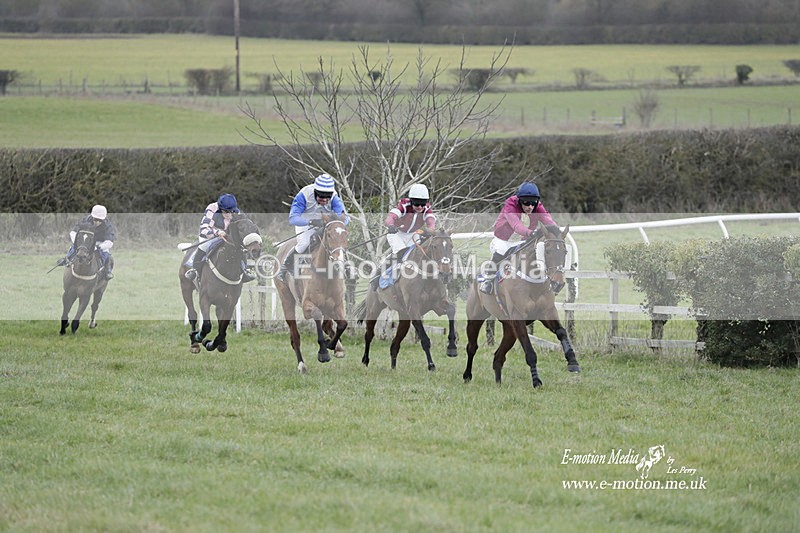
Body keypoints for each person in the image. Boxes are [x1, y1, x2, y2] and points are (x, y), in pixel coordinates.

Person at [479, 181, 557, 294]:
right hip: (504, 240)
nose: (530, 206)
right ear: (519, 200)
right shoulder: (510, 205)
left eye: (533, 202)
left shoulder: (537, 206)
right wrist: (531, 233)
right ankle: (488, 280)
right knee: (500, 251)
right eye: (526, 202)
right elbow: (516, 226)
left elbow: (547, 219)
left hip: (522, 241)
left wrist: (556, 231)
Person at [277, 173, 348, 282]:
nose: (324, 200)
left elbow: (344, 218)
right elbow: (293, 218)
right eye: (321, 196)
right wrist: (310, 221)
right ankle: (286, 265)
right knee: (304, 243)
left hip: (326, 222)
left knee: (338, 241)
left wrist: (334, 223)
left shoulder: (334, 197)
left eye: (327, 197)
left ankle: (347, 267)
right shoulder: (304, 195)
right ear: (315, 192)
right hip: (305, 222)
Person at [371, 183, 436, 288]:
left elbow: (431, 221)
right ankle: (378, 275)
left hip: (413, 234)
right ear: (411, 201)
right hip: (397, 233)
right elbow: (390, 218)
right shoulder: (404, 206)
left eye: (422, 203)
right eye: (416, 203)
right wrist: (391, 225)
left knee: (416, 254)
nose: (420, 207)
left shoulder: (427, 209)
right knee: (401, 252)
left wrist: (430, 230)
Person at [185, 193, 254, 283]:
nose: (229, 214)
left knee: (240, 247)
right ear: (220, 209)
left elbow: (243, 225)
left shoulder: (237, 212)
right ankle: (195, 270)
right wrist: (217, 232)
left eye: (231, 211)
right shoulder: (212, 209)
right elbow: (204, 229)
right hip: (211, 235)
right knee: (204, 246)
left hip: (227, 237)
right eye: (226, 212)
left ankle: (245, 270)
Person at [58, 204, 116, 280]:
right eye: (95, 219)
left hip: (100, 243)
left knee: (107, 255)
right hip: (85, 241)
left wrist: (99, 247)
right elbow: (73, 232)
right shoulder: (85, 220)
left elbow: (110, 242)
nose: (97, 222)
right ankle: (66, 260)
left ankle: (107, 272)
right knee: (73, 248)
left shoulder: (108, 225)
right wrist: (77, 242)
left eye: (100, 220)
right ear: (92, 217)